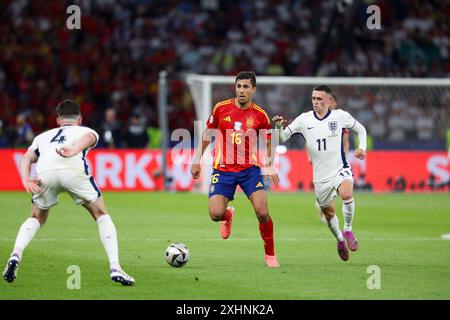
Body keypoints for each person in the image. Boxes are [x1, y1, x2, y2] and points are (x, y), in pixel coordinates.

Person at [3, 100, 135, 285]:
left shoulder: (43, 136)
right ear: (79, 119)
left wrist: (25, 179)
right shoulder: (85, 130)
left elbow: (27, 157)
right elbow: (88, 138)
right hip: (73, 171)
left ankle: (16, 254)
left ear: (58, 120)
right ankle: (115, 267)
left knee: (36, 217)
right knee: (101, 214)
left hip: (45, 175)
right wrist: (73, 149)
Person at [190, 71, 281, 267]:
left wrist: (270, 165)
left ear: (253, 89)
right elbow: (207, 134)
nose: (241, 91)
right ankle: (228, 214)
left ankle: (270, 255)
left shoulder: (260, 115)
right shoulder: (221, 108)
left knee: (262, 212)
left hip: (250, 170)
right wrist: (197, 159)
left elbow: (268, 142)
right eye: (239, 86)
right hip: (223, 169)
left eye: (246, 87)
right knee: (215, 214)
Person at [273, 85, 367, 261]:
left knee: (346, 194)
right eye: (313, 98)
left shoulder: (340, 116)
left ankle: (348, 229)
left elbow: (361, 129)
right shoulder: (304, 119)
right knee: (329, 214)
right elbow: (283, 137)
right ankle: (339, 239)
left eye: (319, 99)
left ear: (329, 101)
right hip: (320, 177)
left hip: (340, 168)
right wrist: (279, 127)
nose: (315, 102)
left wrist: (362, 147)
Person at [313, 92, 349, 224]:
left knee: (338, 187)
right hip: (322, 159)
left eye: (332, 101)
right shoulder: (317, 119)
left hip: (337, 160)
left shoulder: (341, 120)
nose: (331, 104)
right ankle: (321, 204)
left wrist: (343, 157)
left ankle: (324, 206)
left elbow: (345, 141)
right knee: (325, 186)